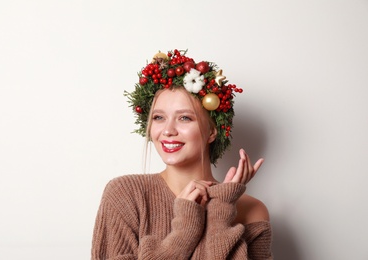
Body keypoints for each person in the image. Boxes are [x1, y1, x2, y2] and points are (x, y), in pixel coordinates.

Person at [92, 49, 272, 259]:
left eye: (185, 118)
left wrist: (221, 208)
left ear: (212, 131)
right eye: (159, 118)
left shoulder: (252, 210)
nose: (168, 130)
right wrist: (184, 231)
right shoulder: (125, 194)